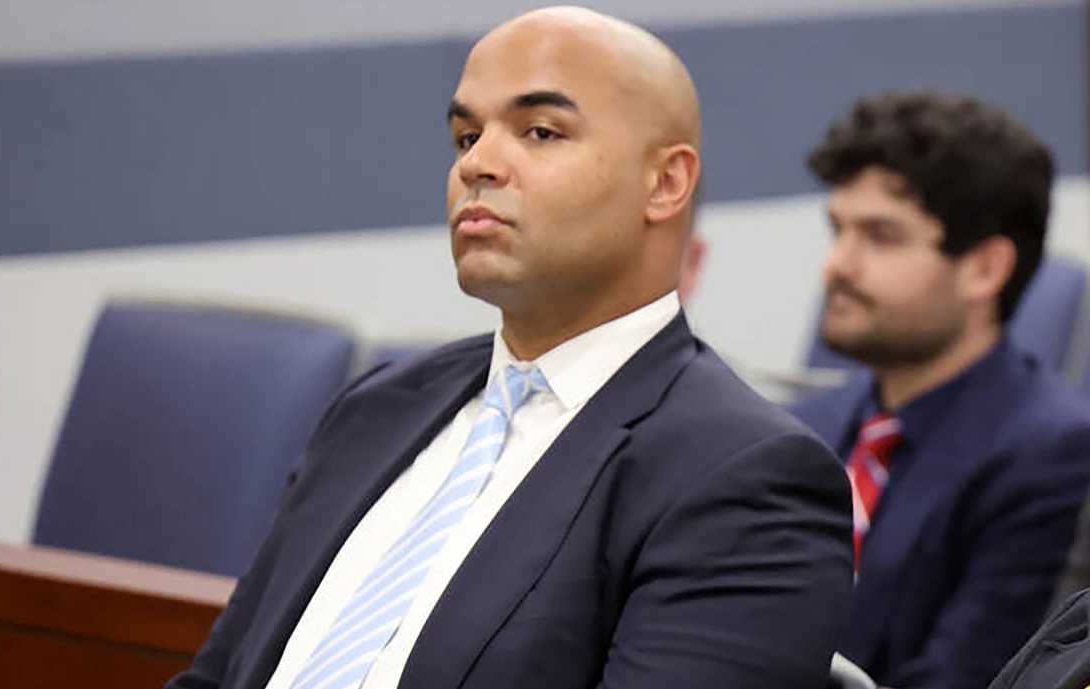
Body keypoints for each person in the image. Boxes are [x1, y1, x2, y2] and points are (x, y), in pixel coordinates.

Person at [167, 8, 852, 689]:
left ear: (665, 183)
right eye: (466, 136)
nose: (479, 164)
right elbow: (219, 674)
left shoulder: (744, 476)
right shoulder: (376, 410)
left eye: (541, 131)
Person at [789, 91, 1090, 689]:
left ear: (984, 269)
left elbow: (972, 676)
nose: (837, 265)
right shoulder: (803, 426)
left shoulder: (1051, 453)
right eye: (838, 230)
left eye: (881, 236)